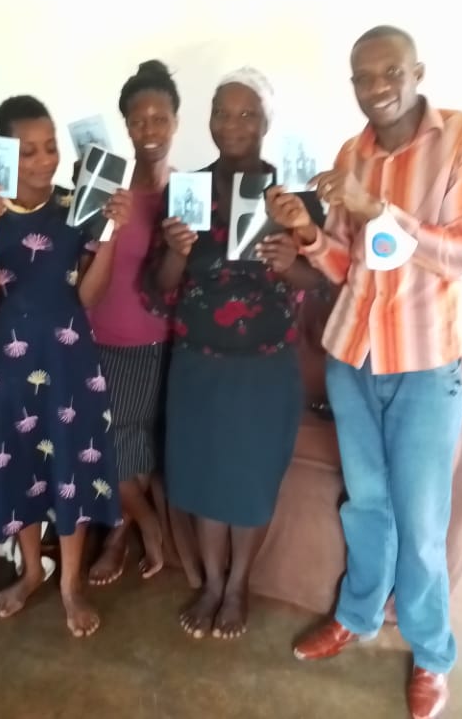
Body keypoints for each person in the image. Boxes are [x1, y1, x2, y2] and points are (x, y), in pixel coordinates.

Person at [267, 26, 462, 719]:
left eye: (390, 71)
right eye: (363, 77)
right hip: (354, 356)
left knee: (421, 523)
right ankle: (357, 615)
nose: (377, 87)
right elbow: (347, 264)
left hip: (425, 360)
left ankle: (431, 655)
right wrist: (308, 232)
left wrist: (377, 209)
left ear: (417, 71)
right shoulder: (349, 155)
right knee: (366, 506)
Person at [148, 67, 322, 640]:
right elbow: (159, 286)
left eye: (247, 113)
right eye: (222, 112)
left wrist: (289, 265)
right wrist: (177, 251)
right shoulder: (186, 190)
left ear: (268, 121)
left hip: (264, 367)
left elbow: (324, 282)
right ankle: (211, 584)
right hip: (198, 364)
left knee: (249, 480)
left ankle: (238, 586)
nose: (233, 124)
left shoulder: (293, 194)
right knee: (202, 477)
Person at [0, 95, 127, 637]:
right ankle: (32, 571)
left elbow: (91, 297)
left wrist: (111, 235)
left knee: (71, 465)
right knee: (19, 463)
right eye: (28, 150)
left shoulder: (75, 206)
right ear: (4, 152)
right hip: (10, 363)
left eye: (50, 147)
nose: (43, 160)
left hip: (69, 360)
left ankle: (70, 585)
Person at [84, 60, 179, 586]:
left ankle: (122, 532)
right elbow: (83, 259)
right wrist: (106, 222)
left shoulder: (188, 192)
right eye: (138, 121)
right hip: (101, 334)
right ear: (126, 126)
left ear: (176, 121)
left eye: (159, 118)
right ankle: (142, 523)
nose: (149, 130)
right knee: (110, 437)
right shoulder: (107, 186)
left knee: (130, 439)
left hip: (158, 340)